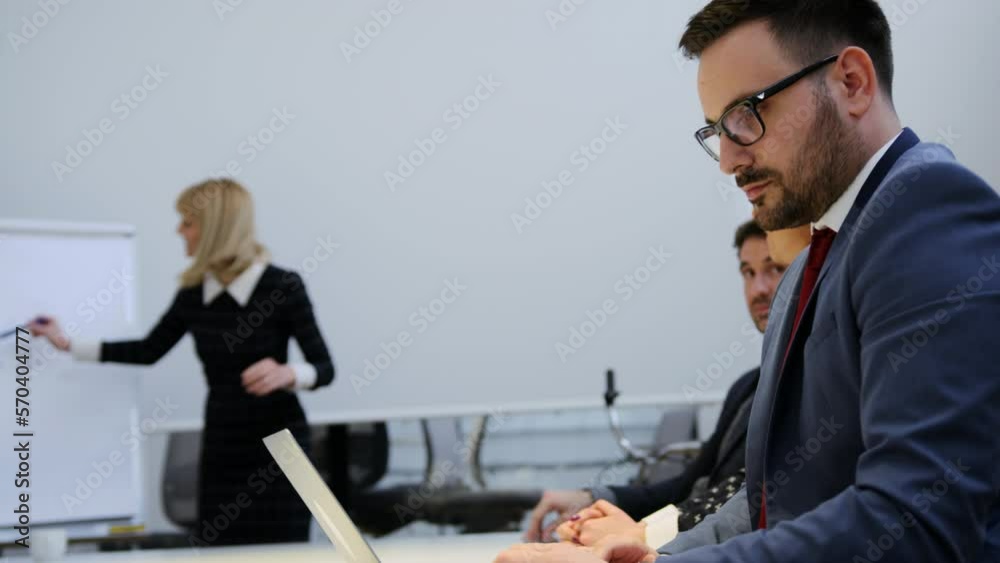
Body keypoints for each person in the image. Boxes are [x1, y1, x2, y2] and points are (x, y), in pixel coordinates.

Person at [496, 0, 1000, 562]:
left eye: (746, 114)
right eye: (717, 130)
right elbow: (772, 503)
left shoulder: (926, 211)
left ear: (852, 83)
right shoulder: (812, 265)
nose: (728, 159)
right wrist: (649, 556)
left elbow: (914, 520)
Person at [30, 178, 337, 547]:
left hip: (283, 447)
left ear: (215, 228)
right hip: (223, 444)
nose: (179, 231)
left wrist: (289, 373)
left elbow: (324, 368)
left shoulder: (283, 286)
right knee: (222, 550)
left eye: (188, 222)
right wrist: (67, 344)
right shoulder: (193, 295)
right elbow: (148, 350)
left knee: (285, 552)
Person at [525, 221, 809, 548]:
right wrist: (593, 498)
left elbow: (752, 500)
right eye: (748, 272)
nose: (759, 288)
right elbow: (689, 487)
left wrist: (640, 535)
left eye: (775, 269)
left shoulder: (807, 385)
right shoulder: (747, 388)